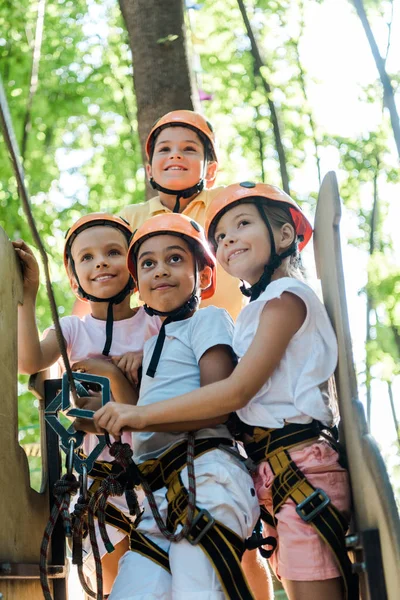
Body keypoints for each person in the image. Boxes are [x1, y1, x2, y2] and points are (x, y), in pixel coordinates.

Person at [94, 183, 357, 600]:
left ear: (285, 236)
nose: (229, 239)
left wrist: (136, 415)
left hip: (280, 465)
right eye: (220, 236)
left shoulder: (282, 301)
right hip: (255, 472)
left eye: (242, 224)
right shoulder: (252, 311)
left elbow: (231, 394)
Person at [93, 213, 260, 599]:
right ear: (139, 286)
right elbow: (144, 418)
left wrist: (134, 414)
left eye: (175, 259)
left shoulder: (209, 320)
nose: (160, 270)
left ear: (202, 276)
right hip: (160, 493)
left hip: (207, 476)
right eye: (148, 263)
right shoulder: (152, 345)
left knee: (197, 592)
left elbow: (219, 400)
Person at [13, 213, 160, 596]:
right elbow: (29, 360)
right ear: (75, 275)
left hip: (156, 470)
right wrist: (28, 296)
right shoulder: (73, 330)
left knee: (160, 579)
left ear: (133, 264)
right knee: (112, 584)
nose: (101, 263)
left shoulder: (156, 326)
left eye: (113, 252)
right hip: (100, 481)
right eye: (87, 257)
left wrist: (131, 364)